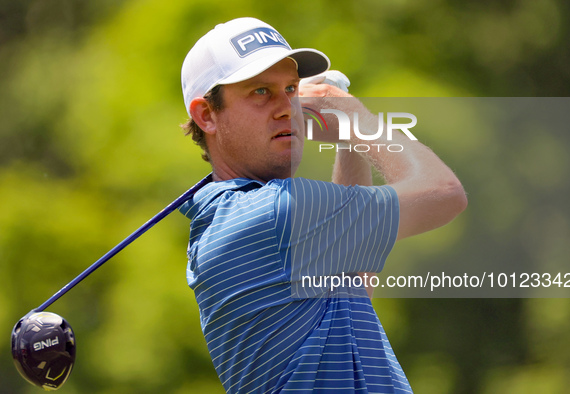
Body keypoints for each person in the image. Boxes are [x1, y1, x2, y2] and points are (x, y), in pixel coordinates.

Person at [178, 17, 467, 393]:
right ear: (206, 115)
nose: (286, 108)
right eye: (261, 92)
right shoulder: (275, 213)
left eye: (291, 89)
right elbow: (444, 192)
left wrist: (348, 139)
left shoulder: (236, 218)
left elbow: (352, 284)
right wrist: (353, 115)